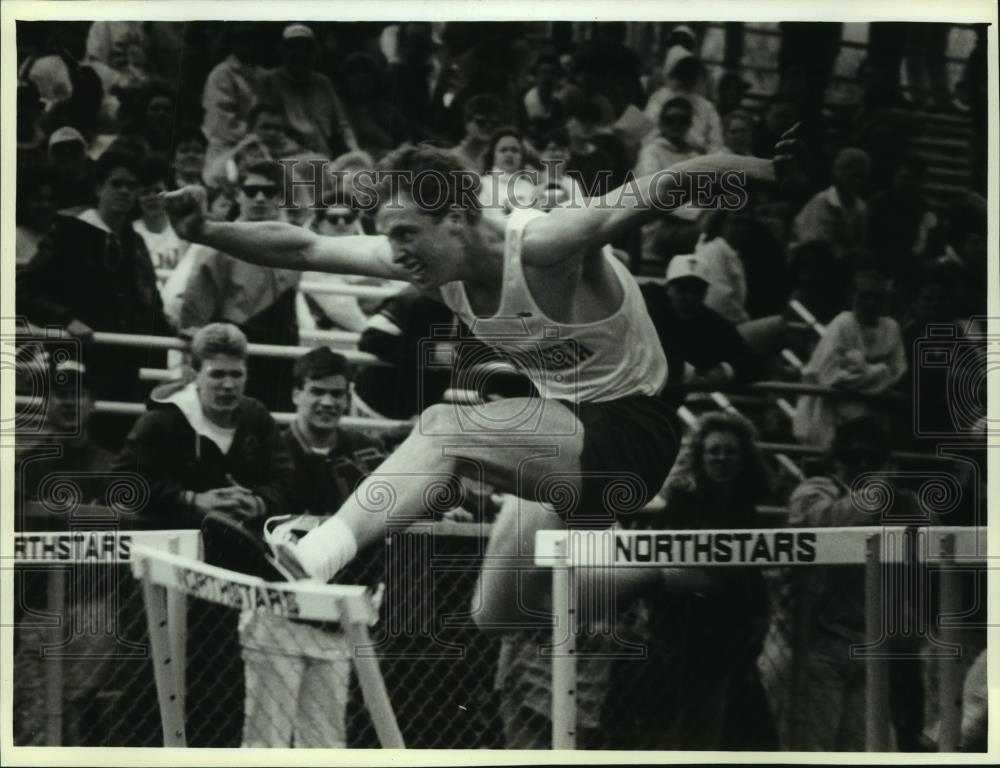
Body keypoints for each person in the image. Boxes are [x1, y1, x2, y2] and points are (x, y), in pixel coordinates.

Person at [164, 128, 803, 584]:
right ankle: (626, 574)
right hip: (560, 427)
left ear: (459, 220)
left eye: (408, 235)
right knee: (495, 610)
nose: (396, 254)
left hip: (633, 430)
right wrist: (204, 231)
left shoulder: (546, 246)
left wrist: (767, 170)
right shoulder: (425, 258)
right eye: (389, 237)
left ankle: (322, 549)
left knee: (446, 426)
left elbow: (664, 183)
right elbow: (302, 249)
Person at [238, 347, 388, 748]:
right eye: (317, 391)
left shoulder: (365, 451)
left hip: (337, 619)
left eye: (337, 394)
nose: (328, 402)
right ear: (296, 394)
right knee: (265, 744)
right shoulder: (271, 451)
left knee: (325, 745)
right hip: (278, 615)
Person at [608, 411, 775, 750]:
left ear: (743, 458)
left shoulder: (745, 506)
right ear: (700, 455)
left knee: (708, 735)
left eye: (730, 451)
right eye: (714, 451)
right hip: (678, 637)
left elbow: (751, 575)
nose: (722, 458)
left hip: (725, 641)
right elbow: (666, 568)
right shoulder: (685, 501)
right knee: (664, 735)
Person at [758, 416, 916, 751]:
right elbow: (824, 526)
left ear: (884, 461)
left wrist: (901, 500)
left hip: (865, 645)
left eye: (870, 458)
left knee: (875, 752)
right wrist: (878, 491)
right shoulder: (815, 490)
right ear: (836, 458)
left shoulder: (893, 500)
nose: (861, 464)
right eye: (852, 456)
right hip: (809, 644)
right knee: (812, 752)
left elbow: (929, 536)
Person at [17, 149, 173, 449]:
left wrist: (174, 334)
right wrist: (65, 318)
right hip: (79, 363)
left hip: (126, 367)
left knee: (122, 446)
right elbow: (24, 290)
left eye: (132, 185)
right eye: (117, 184)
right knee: (77, 446)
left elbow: (151, 304)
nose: (125, 191)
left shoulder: (135, 242)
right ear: (99, 187)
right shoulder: (67, 233)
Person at [13, 360, 118, 746]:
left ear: (91, 403)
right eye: (61, 393)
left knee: (88, 714)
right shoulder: (25, 466)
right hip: (37, 609)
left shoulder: (112, 467)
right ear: (46, 403)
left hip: (95, 605)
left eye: (78, 393)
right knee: (36, 725)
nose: (70, 401)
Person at [179, 160, 301, 410]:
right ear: (237, 194)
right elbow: (194, 319)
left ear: (279, 197)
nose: (259, 198)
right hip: (235, 360)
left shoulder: (291, 242)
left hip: (280, 358)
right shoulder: (217, 244)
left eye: (268, 192)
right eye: (250, 190)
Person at [792, 270, 907, 448]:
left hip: (875, 414)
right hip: (832, 412)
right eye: (865, 296)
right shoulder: (842, 324)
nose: (871, 303)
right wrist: (878, 373)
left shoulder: (891, 327)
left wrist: (862, 372)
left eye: (877, 297)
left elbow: (897, 373)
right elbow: (830, 376)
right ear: (852, 297)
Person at [640, 254, 764, 410]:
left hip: (668, 406)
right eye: (682, 289)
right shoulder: (645, 309)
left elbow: (753, 364)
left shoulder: (711, 322)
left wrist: (724, 371)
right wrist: (683, 372)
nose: (690, 298)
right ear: (668, 288)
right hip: (631, 398)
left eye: (698, 291)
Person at [255, 24, 359, 158]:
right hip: (284, 158)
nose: (300, 53)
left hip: (323, 157)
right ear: (282, 51)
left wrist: (356, 153)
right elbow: (262, 127)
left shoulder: (323, 82)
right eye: (293, 48)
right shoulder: (268, 81)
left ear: (314, 52)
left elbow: (343, 126)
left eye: (306, 49)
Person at [791, 147, 871, 263]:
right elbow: (812, 244)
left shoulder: (861, 207)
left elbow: (859, 244)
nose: (857, 182)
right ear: (838, 175)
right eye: (852, 176)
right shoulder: (822, 201)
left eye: (861, 177)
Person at [643, 44, 723, 154]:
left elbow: (716, 143)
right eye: (683, 70)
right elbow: (648, 136)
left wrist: (703, 150)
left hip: (697, 159)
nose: (687, 76)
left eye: (691, 72)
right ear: (674, 73)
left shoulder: (706, 107)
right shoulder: (659, 98)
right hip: (664, 154)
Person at [450, 94, 502, 172]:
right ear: (467, 123)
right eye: (481, 122)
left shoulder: (495, 160)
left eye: (494, 123)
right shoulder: (452, 159)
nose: (488, 126)